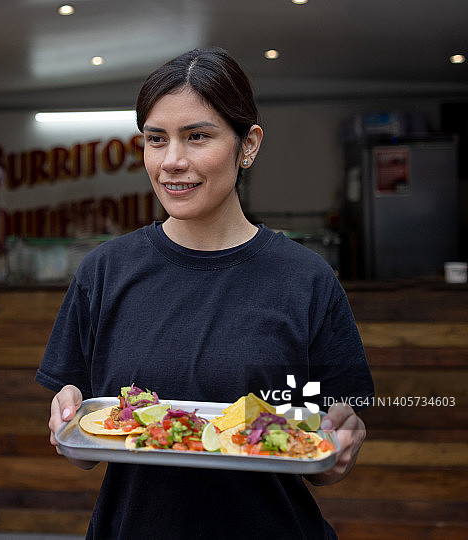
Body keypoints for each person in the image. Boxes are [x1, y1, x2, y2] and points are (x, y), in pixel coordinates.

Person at [35, 47, 374, 539]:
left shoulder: (306, 279)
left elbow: (326, 444)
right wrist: (68, 415)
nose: (172, 161)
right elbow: (87, 450)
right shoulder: (104, 272)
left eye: (197, 137)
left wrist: (338, 446)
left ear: (248, 145)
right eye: (156, 140)